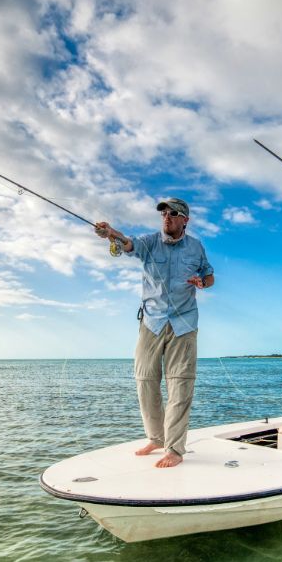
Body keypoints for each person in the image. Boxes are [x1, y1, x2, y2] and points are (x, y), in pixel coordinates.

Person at [94, 198, 214, 468]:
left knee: (180, 385)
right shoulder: (150, 242)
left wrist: (202, 283)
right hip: (152, 322)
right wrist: (111, 233)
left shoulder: (196, 247)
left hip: (184, 324)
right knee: (145, 379)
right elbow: (128, 244)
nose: (166, 218)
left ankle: (174, 448)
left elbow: (209, 275)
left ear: (185, 219)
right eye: (163, 214)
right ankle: (157, 438)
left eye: (173, 214)